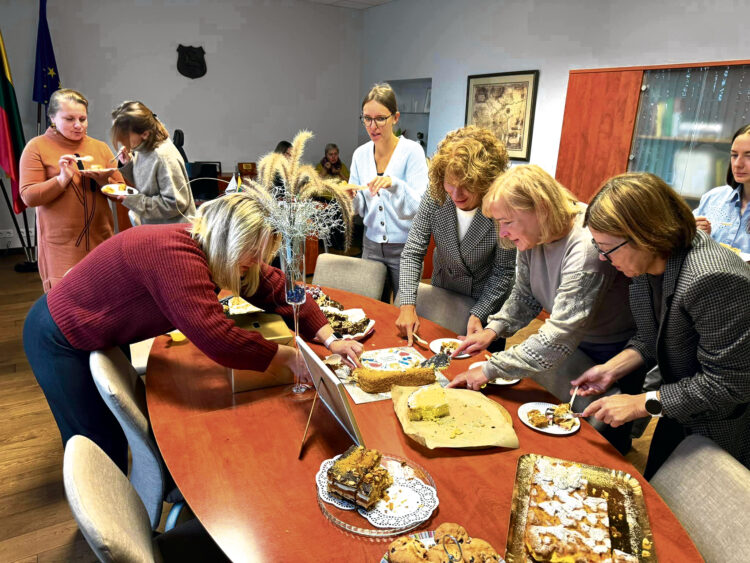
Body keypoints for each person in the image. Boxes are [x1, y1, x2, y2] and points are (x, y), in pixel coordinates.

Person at [23, 193, 362, 473]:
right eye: (251, 253)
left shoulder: (213, 248)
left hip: (102, 329)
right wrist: (286, 357)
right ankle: (110, 529)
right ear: (230, 241)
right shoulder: (175, 255)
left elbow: (277, 287)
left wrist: (330, 337)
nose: (256, 262)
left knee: (114, 429)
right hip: (58, 335)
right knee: (97, 439)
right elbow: (216, 337)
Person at [446, 165, 638, 454]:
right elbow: (525, 295)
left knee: (603, 446)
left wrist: (489, 369)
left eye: (507, 222)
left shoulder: (586, 247)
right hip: (573, 345)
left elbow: (558, 337)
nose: (504, 233)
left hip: (612, 352)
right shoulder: (534, 236)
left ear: (541, 209)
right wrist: (493, 329)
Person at [572, 172, 750, 477]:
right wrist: (611, 369)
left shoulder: (712, 278)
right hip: (677, 408)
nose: (602, 258)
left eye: (607, 248)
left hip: (721, 426)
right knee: (657, 485)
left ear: (646, 235)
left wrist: (644, 403)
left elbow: (730, 383)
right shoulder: (646, 264)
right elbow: (653, 336)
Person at [396, 126, 516, 350]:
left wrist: (480, 313)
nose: (457, 195)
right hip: (443, 294)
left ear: (485, 181)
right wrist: (407, 305)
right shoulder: (435, 196)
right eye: (450, 184)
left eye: (467, 187)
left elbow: (504, 272)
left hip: (486, 301)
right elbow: (413, 252)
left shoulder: (502, 207)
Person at [19, 88, 121, 292]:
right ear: (52, 118)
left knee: (106, 300)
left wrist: (104, 183)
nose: (78, 125)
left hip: (101, 240)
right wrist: (61, 180)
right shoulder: (36, 147)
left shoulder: (100, 147)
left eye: (82, 119)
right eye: (69, 119)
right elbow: (29, 196)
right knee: (67, 307)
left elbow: (121, 194)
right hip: (61, 248)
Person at [348, 83, 429, 301]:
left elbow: (420, 207)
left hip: (406, 248)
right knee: (371, 309)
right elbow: (359, 209)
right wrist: (351, 198)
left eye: (380, 118)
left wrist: (394, 184)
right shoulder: (360, 155)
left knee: (403, 313)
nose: (372, 126)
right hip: (371, 246)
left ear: (395, 117)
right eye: (367, 118)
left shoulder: (412, 152)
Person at [108, 101, 196, 226]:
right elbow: (149, 185)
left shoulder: (163, 157)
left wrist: (133, 201)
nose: (119, 139)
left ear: (144, 134)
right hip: (156, 229)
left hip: (173, 233)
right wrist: (128, 164)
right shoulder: (142, 149)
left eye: (123, 135)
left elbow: (175, 203)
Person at [693, 123, 750, 254]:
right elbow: (682, 240)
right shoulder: (713, 198)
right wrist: (696, 235)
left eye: (749, 156)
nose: (737, 164)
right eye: (734, 155)